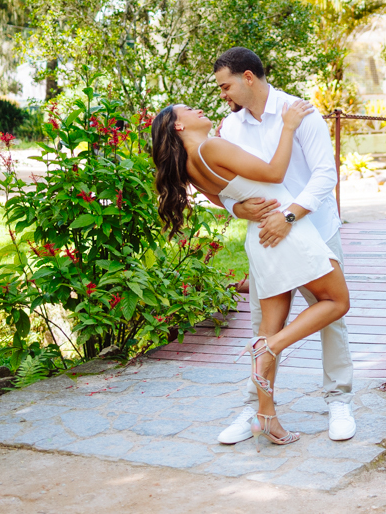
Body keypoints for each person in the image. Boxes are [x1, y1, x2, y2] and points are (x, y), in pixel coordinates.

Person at [150, 100, 351, 449]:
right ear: (177, 126)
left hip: (263, 237)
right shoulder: (211, 145)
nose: (199, 109)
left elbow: (223, 198)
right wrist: (288, 126)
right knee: (336, 302)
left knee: (267, 326)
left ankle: (267, 417)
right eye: (187, 110)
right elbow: (274, 174)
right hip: (287, 231)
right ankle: (269, 349)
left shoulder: (189, 164)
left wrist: (238, 206)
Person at [212, 47, 357, 444]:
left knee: (330, 316)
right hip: (266, 237)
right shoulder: (230, 128)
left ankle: (338, 400)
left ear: (247, 77)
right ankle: (254, 407)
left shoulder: (299, 112)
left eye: (225, 86)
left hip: (313, 226)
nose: (222, 95)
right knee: (264, 322)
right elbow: (227, 190)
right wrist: (239, 208)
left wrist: (289, 216)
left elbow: (326, 175)